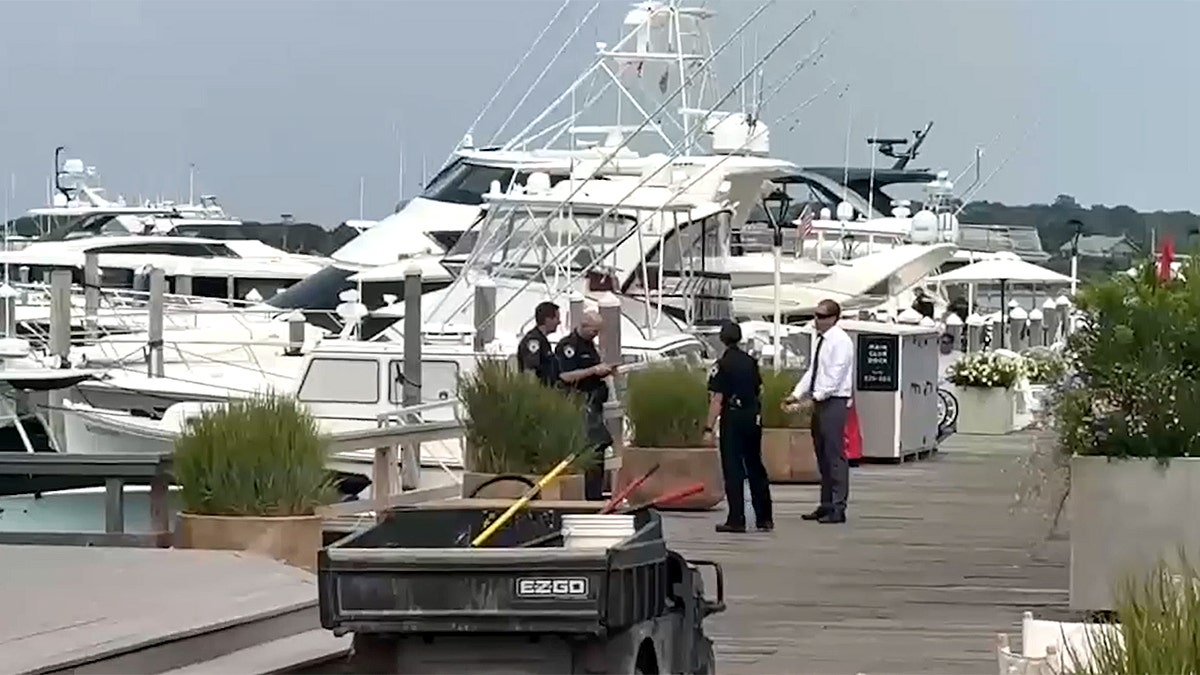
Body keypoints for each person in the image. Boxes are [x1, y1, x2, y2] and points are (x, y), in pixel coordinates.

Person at [784, 299, 854, 524]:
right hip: (821, 399)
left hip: (834, 400)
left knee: (835, 455)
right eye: (815, 315)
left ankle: (838, 506)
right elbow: (813, 370)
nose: (817, 320)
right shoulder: (821, 341)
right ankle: (826, 503)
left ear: (834, 318)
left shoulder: (841, 341)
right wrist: (797, 393)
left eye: (822, 316)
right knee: (822, 453)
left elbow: (835, 375)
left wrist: (815, 398)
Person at [703, 321, 773, 533]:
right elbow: (759, 389)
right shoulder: (751, 362)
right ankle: (764, 517)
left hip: (732, 417)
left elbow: (717, 399)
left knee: (733, 467)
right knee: (754, 465)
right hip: (751, 416)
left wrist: (708, 427)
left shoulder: (722, 364)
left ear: (722, 339)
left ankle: (737, 518)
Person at [556, 310, 617, 500]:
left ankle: (595, 493)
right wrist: (593, 370)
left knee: (598, 448)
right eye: (594, 331)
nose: (596, 335)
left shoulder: (590, 346)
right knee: (594, 444)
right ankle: (588, 493)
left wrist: (605, 371)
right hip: (580, 402)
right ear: (583, 326)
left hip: (595, 402)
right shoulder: (568, 346)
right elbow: (565, 376)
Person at [518, 301, 561, 387]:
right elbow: (530, 371)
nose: (559, 322)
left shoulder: (543, 341)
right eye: (556, 318)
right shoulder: (533, 341)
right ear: (547, 319)